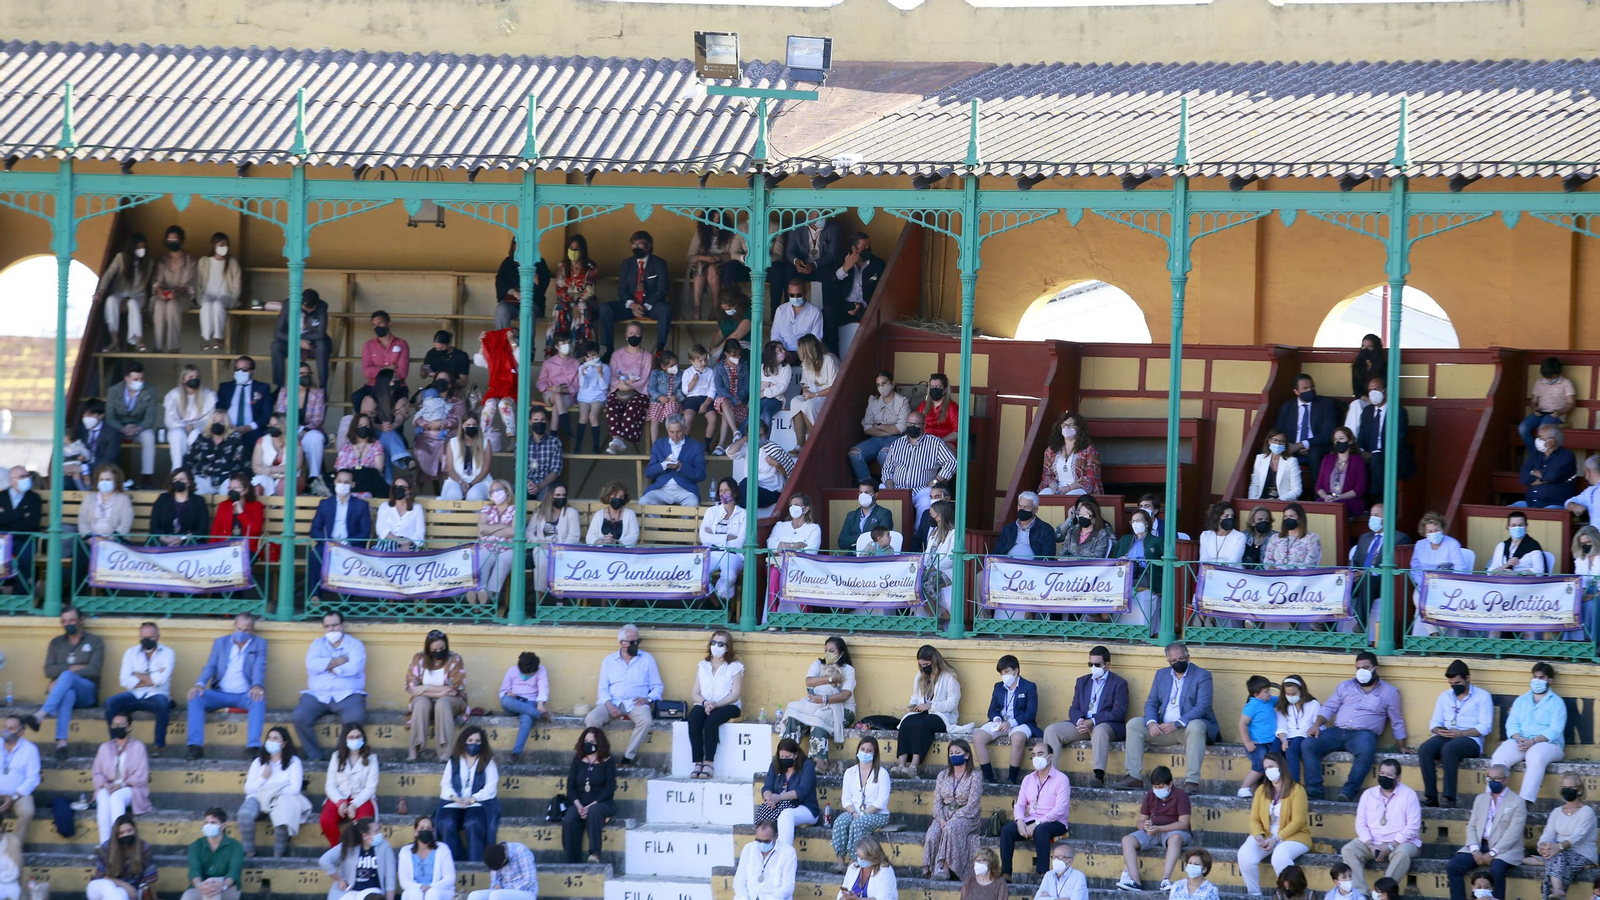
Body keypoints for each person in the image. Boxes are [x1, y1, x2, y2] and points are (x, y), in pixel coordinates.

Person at [1302, 651, 1409, 802]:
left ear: (1375, 669)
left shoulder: (1390, 692)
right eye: (1358, 668)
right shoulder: (1345, 686)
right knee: (1308, 744)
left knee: (1367, 749)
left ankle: (1347, 792)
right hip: (1337, 731)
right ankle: (1314, 790)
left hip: (1363, 735)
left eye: (1365, 668)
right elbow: (1329, 707)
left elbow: (1396, 720)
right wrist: (1316, 725)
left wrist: (1401, 745)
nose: (1361, 672)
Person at [1114, 642, 1217, 792]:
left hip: (1187, 730)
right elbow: (1152, 702)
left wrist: (1178, 723)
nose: (1178, 663)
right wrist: (1151, 723)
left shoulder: (1202, 675)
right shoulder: (1161, 675)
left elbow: (1202, 706)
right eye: (1173, 661)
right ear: (1168, 661)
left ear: (1188, 657)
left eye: (1181, 658)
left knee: (1196, 726)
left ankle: (1192, 782)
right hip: (1164, 729)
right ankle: (1134, 777)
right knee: (1134, 724)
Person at [186, 614, 268, 759]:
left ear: (252, 631)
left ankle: (253, 747)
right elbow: (210, 666)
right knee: (195, 697)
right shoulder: (220, 643)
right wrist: (199, 684)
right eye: (239, 628)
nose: (241, 633)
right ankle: (195, 746)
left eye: (246, 630)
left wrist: (257, 686)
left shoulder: (259, 644)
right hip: (220, 693)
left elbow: (259, 667)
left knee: (259, 699)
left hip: (245, 695)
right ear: (233, 626)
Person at [1043, 646, 1127, 787]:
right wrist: (1080, 720)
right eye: (1090, 664)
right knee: (1052, 730)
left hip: (1104, 725)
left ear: (1107, 665)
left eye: (1097, 664)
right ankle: (1048, 776)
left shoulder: (1119, 683)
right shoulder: (1082, 681)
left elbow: (1119, 712)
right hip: (1082, 725)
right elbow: (1074, 708)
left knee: (1099, 731)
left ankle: (1098, 775)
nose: (1093, 667)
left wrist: (1093, 721)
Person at [294, 611, 368, 764]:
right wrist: (340, 661)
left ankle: (338, 758)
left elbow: (354, 667)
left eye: (334, 625)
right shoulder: (317, 645)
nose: (331, 629)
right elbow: (312, 665)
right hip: (317, 695)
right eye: (327, 626)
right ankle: (314, 755)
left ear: (342, 625)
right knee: (299, 716)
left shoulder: (355, 645)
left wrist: (326, 665)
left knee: (354, 719)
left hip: (348, 694)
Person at [1417, 660, 1493, 809]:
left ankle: (1449, 798)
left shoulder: (1482, 696)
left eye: (1458, 683)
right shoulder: (1444, 696)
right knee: (1424, 749)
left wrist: (1461, 733)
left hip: (1470, 739)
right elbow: (1434, 722)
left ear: (1467, 678)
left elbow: (1485, 727)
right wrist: (1438, 730)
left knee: (1449, 749)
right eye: (1451, 683)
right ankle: (1431, 796)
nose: (1454, 686)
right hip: (1447, 734)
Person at [1339, 759, 1422, 895]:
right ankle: (1361, 894)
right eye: (1382, 773)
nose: (1384, 777)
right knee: (1348, 850)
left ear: (1398, 778)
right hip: (1373, 842)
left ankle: (1382, 893)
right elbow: (1361, 824)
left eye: (1389, 775)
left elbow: (1413, 827)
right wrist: (1370, 845)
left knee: (1402, 854)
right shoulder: (1368, 795)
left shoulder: (1409, 795)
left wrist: (1390, 846)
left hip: (1401, 842)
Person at [584, 624, 662, 766]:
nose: (635, 644)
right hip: (612, 701)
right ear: (622, 643)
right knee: (591, 718)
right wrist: (609, 705)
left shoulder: (647, 659)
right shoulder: (609, 661)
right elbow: (602, 688)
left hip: (636, 703)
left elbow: (657, 687)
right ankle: (601, 756)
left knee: (645, 721)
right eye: (632, 642)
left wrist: (647, 699)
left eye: (637, 641)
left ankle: (628, 758)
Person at [1444, 763, 1524, 900]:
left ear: (1506, 780)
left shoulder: (1517, 802)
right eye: (1490, 778)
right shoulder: (1480, 799)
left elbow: (1513, 833)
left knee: (1497, 869)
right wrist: (1475, 850)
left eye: (1497, 778)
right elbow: (1471, 826)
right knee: (1453, 866)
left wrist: (1493, 853)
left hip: (1505, 848)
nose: (1493, 782)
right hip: (1480, 845)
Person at [1490, 662, 1566, 801]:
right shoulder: (1521, 700)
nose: (1537, 681)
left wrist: (1534, 741)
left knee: (1535, 756)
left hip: (1549, 745)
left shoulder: (1557, 703)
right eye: (1534, 677)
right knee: (1499, 756)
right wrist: (1519, 738)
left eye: (1541, 678)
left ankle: (1525, 801)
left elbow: (1556, 730)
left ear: (1549, 680)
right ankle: (1493, 798)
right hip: (1522, 741)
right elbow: (1512, 723)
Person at [1237, 751, 1309, 898]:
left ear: (1281, 767)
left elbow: (1298, 821)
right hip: (1266, 834)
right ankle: (1255, 894)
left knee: (1279, 856)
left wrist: (1276, 839)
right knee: (1244, 854)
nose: (1269, 770)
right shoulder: (1261, 790)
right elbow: (1254, 818)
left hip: (1294, 836)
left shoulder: (1297, 790)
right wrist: (1258, 836)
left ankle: (1293, 895)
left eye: (1271, 766)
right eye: (1266, 768)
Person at [778, 636, 856, 767]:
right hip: (815, 704)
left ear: (841, 653)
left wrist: (824, 699)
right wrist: (831, 678)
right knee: (793, 713)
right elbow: (809, 681)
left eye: (831, 650)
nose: (827, 653)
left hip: (842, 709)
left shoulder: (848, 670)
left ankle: (818, 763)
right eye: (826, 650)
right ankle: (787, 757)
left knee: (819, 718)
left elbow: (845, 694)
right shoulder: (818, 664)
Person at [41, 605, 105, 760]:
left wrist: (65, 674)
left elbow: (94, 670)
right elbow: (48, 670)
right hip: (64, 693)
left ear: (81, 620)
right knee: (68, 693)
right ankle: (62, 743)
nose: (68, 624)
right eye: (64, 621)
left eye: (72, 620)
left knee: (67, 676)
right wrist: (73, 668)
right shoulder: (56, 643)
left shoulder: (95, 641)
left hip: (87, 692)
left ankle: (41, 714)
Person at [1000, 741, 1071, 881]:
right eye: (1033, 755)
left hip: (1055, 821)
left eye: (1040, 754)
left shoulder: (1062, 779)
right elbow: (1020, 804)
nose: (1036, 758)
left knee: (1041, 830)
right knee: (1007, 831)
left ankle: (1044, 874)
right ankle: (1006, 873)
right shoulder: (1028, 779)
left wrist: (1037, 823)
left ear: (1050, 757)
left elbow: (1060, 809)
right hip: (1031, 819)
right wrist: (1020, 821)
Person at [1115, 765, 1192, 893]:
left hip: (1174, 831)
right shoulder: (1151, 795)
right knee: (1127, 840)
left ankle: (1165, 880)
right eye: (1155, 787)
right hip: (1153, 831)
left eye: (1161, 787)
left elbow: (1183, 823)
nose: (1157, 790)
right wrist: (1144, 826)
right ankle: (1135, 881)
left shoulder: (1181, 796)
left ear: (1170, 784)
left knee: (1175, 839)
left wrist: (1160, 829)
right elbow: (1140, 821)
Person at [238, 726, 311, 857]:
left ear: (283, 744)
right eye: (269, 738)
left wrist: (271, 791)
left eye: (275, 738)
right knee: (244, 814)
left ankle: (278, 854)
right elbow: (248, 789)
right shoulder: (258, 762)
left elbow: (294, 789)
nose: (271, 741)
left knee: (282, 815)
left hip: (281, 799)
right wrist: (263, 778)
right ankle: (249, 852)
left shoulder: (294, 762)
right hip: (258, 798)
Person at [104, 621, 174, 755]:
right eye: (143, 637)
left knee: (163, 704)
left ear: (158, 637)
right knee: (110, 703)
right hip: (135, 695)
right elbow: (124, 680)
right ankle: (116, 743)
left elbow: (161, 680)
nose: (146, 640)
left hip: (157, 694)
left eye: (150, 637)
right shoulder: (130, 653)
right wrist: (150, 679)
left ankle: (159, 746)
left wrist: (136, 675)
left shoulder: (168, 653)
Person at [880, 410, 958, 524]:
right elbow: (887, 467)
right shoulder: (897, 443)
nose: (913, 427)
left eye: (916, 424)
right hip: (897, 487)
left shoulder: (935, 443)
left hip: (921, 489)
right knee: (880, 491)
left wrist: (936, 480)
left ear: (924, 425)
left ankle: (918, 534)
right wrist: (888, 483)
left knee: (927, 503)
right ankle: (888, 534)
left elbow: (951, 462)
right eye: (910, 424)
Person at [601, 231, 673, 354]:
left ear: (649, 246)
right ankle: (609, 350)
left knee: (666, 309)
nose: (636, 248)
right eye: (633, 244)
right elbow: (622, 289)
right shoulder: (626, 263)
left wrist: (645, 306)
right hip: (630, 306)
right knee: (605, 308)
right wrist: (632, 304)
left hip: (651, 306)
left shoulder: (659, 263)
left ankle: (660, 350)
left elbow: (662, 290)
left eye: (640, 244)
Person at [436, 727, 500, 863]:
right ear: (463, 742)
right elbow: (446, 785)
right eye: (470, 740)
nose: (473, 744)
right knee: (445, 823)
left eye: (477, 741)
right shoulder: (453, 761)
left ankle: (475, 862)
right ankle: (455, 861)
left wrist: (472, 799)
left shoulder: (488, 761)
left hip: (479, 802)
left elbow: (490, 788)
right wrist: (455, 798)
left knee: (473, 823)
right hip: (454, 802)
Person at [894, 645, 960, 776]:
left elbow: (952, 703)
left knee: (922, 725)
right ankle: (900, 766)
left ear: (934, 661)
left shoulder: (949, 676)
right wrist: (912, 706)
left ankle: (913, 767)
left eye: (927, 664)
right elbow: (915, 696)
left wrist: (931, 706)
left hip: (942, 715)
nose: (924, 667)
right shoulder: (920, 676)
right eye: (921, 665)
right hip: (922, 712)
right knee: (906, 722)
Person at [308, 470, 374, 599]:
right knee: (314, 555)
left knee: (351, 560)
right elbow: (314, 530)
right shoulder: (325, 504)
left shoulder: (361, 505)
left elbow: (365, 532)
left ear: (352, 485)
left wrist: (346, 542)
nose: (342, 485)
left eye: (346, 482)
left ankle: (346, 601)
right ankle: (315, 596)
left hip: (351, 545)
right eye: (339, 481)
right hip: (328, 544)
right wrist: (328, 541)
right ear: (334, 482)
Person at [688, 629, 744, 779]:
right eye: (713, 642)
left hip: (728, 706)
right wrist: (705, 703)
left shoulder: (735, 667)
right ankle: (698, 762)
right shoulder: (702, 665)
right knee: (694, 719)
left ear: (727, 647)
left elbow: (735, 694)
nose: (716, 646)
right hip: (704, 704)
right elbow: (694, 693)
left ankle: (709, 763)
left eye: (720, 643)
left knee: (711, 721)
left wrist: (716, 705)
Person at [972, 655, 1036, 785]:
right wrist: (996, 719)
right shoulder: (998, 687)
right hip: (1000, 723)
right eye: (1001, 673)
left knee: (1018, 739)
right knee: (978, 737)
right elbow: (992, 710)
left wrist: (1010, 723)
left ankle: (1011, 779)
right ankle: (989, 778)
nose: (1004, 676)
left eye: (1006, 672)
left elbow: (1031, 713)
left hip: (1020, 723)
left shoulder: (1029, 687)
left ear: (1016, 670)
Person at [923, 738, 981, 882]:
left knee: (950, 828)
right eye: (951, 752)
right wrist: (941, 819)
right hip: (943, 814)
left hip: (967, 816)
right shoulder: (942, 775)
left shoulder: (975, 776)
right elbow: (937, 802)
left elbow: (973, 805)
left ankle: (945, 867)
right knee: (932, 833)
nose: (954, 755)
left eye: (957, 752)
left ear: (966, 755)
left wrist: (953, 817)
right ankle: (931, 870)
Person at [832, 737, 891, 874]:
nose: (865, 753)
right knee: (841, 821)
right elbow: (846, 799)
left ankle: (853, 862)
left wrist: (863, 814)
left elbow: (881, 802)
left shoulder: (882, 773)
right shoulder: (850, 772)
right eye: (863, 749)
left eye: (869, 751)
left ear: (874, 753)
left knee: (857, 824)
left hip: (877, 814)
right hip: (856, 812)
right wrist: (853, 812)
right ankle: (840, 862)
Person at [1532, 775, 1596, 900]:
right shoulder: (1556, 811)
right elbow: (1548, 834)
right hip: (1559, 853)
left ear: (1579, 790)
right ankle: (1558, 892)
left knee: (1555, 859)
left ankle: (1556, 891)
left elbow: (1578, 836)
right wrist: (1543, 846)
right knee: (1556, 861)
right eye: (1564, 787)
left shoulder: (1586, 812)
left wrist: (1559, 847)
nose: (1567, 789)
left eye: (1571, 787)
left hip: (1582, 853)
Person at [407, 631, 468, 762]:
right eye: (434, 649)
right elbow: (412, 687)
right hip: (426, 698)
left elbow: (453, 689)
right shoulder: (419, 659)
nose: (438, 652)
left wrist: (425, 688)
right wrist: (439, 692)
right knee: (421, 704)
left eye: (442, 648)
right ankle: (414, 749)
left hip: (451, 700)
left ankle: (445, 752)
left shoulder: (454, 659)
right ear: (428, 649)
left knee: (442, 703)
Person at [92, 712, 152, 844]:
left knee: (116, 797)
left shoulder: (138, 747)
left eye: (121, 724)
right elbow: (96, 772)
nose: (117, 727)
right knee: (102, 799)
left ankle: (118, 841)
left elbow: (141, 775)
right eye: (114, 725)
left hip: (130, 788)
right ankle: (105, 844)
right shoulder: (104, 747)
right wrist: (105, 785)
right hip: (107, 786)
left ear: (129, 727)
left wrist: (122, 784)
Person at [562, 727, 616, 864]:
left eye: (592, 741)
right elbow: (571, 786)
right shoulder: (578, 760)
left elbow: (610, 788)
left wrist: (592, 804)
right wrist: (578, 805)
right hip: (580, 802)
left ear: (600, 743)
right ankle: (571, 860)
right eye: (586, 740)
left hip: (601, 803)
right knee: (569, 819)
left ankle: (595, 854)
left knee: (594, 811)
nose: (589, 743)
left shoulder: (608, 761)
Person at [320, 722, 379, 847]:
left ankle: (356, 853)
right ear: (345, 739)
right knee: (326, 820)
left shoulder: (372, 758)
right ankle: (338, 848)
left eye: (358, 737)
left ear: (363, 738)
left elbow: (370, 787)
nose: (355, 740)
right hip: (339, 796)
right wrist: (340, 801)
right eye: (351, 737)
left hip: (362, 798)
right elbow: (329, 785)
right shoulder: (336, 757)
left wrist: (354, 804)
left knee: (363, 825)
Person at [96, 231, 153, 351]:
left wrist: (128, 300)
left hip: (139, 294)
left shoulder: (149, 262)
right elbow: (108, 274)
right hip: (120, 293)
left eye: (143, 247)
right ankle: (114, 340)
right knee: (110, 300)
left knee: (133, 303)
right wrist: (100, 291)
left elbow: (143, 285)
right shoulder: (121, 258)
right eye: (138, 247)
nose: (141, 249)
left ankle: (138, 339)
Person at [1358, 376, 1415, 496]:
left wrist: (1374, 454)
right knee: (1352, 459)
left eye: (1377, 389)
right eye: (1370, 390)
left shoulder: (1398, 412)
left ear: (1386, 391)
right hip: (1370, 456)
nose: (1373, 393)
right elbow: (1361, 437)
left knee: (1376, 459)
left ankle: (1379, 502)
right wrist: (1361, 451)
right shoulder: (1367, 411)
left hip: (1391, 457)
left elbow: (1398, 441)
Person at [1276, 375, 1340, 482]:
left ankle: (1318, 495)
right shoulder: (1288, 407)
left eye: (1312, 387)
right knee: (1268, 451)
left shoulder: (1325, 405)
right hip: (1291, 446)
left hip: (1316, 446)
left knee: (1314, 454)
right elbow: (1279, 431)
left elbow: (1328, 433)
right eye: (1305, 388)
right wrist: (1291, 447)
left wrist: (1302, 444)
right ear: (1296, 391)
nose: (1310, 390)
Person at [827, 232, 884, 352]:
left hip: (866, 306)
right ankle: (833, 354)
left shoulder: (878, 264)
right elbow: (831, 282)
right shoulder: (841, 260)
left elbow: (881, 291)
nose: (867, 249)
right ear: (854, 248)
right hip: (845, 304)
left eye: (869, 246)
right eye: (863, 247)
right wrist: (845, 267)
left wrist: (862, 306)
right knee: (828, 312)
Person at [603, 322, 653, 455]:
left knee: (633, 407)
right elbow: (613, 376)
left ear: (641, 336)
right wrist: (622, 385)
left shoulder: (647, 356)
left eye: (637, 334)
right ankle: (616, 437)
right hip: (618, 389)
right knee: (612, 405)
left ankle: (622, 437)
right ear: (626, 335)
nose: (633, 336)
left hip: (639, 391)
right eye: (631, 333)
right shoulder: (617, 354)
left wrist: (630, 386)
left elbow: (645, 379)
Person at [759, 738, 819, 847]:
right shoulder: (775, 765)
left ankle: (784, 854)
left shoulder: (807, 765)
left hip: (805, 808)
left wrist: (779, 797)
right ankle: (765, 847)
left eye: (787, 757)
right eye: (782, 757)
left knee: (786, 814)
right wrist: (768, 797)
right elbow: (767, 786)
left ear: (795, 755)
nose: (784, 759)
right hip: (778, 805)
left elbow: (802, 791)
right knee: (763, 812)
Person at [106, 362, 158, 487]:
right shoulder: (114, 391)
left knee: (149, 436)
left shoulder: (150, 390)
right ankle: (115, 477)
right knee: (110, 436)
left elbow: (150, 418)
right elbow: (109, 417)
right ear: (126, 379)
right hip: (118, 428)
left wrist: (138, 428)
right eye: (135, 379)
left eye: (142, 378)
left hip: (139, 428)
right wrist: (122, 428)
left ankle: (147, 478)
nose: (139, 382)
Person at [276, 362, 329, 484]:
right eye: (301, 374)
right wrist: (292, 431)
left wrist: (303, 430)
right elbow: (280, 416)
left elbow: (318, 418)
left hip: (310, 430)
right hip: (288, 431)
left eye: (308, 373)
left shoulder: (318, 392)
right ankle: (291, 480)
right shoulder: (285, 391)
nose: (305, 376)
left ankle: (314, 478)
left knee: (315, 438)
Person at [638, 414, 706, 507]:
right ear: (667, 430)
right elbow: (648, 473)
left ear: (685, 428)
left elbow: (701, 475)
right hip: (662, 488)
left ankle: (682, 523)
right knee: (643, 502)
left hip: (685, 490)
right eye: (671, 432)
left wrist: (680, 467)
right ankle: (658, 522)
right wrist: (663, 465)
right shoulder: (659, 444)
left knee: (693, 504)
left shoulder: (696, 446)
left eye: (678, 431)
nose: (675, 436)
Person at [272, 288, 333, 390]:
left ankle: (323, 387)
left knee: (322, 345)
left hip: (312, 345)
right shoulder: (288, 305)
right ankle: (279, 387)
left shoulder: (322, 306)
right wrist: (297, 341)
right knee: (276, 346)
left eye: (311, 308)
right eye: (305, 308)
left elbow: (320, 334)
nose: (308, 310)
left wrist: (302, 340)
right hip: (292, 344)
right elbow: (277, 333)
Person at [320, 818, 395, 900]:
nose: (379, 834)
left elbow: (390, 877)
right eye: (376, 832)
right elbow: (324, 860)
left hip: (371, 891)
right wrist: (340, 879)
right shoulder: (349, 845)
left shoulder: (384, 846)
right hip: (349, 891)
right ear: (365, 836)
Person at [526, 483, 580, 596]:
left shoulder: (571, 513)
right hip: (542, 547)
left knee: (562, 565)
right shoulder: (539, 512)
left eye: (563, 495)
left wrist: (559, 548)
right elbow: (529, 532)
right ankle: (538, 604)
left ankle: (560, 601)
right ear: (550, 496)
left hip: (565, 549)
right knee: (542, 564)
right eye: (557, 495)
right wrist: (539, 542)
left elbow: (574, 537)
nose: (561, 498)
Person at [215, 356, 273, 456]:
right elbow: (219, 410)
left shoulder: (262, 388)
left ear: (252, 372)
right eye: (237, 369)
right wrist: (227, 425)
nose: (240, 372)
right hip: (228, 428)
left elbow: (266, 414)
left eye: (244, 370)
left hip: (252, 429)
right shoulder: (225, 387)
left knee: (257, 440)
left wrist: (249, 427)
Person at [788, 334, 839, 450]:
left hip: (829, 397)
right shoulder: (806, 362)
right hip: (813, 395)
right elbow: (805, 384)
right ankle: (800, 445)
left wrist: (814, 395)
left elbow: (835, 388)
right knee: (796, 401)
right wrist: (806, 392)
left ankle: (814, 443)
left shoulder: (829, 360)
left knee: (808, 405)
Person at [89, 815, 158, 900]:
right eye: (122, 833)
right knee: (112, 890)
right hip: (100, 886)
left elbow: (149, 876)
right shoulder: (107, 847)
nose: (126, 834)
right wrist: (126, 886)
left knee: (119, 895)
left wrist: (154, 898)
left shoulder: (143, 847)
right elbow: (102, 876)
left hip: (124, 893)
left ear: (135, 831)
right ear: (116, 835)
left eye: (129, 831)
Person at [700, 478, 747, 602]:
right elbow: (704, 537)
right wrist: (727, 537)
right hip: (712, 552)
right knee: (698, 573)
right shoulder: (711, 511)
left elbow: (740, 542)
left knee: (729, 577)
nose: (723, 493)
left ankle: (721, 602)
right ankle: (716, 604)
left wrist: (714, 536)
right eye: (721, 490)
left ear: (734, 493)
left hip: (733, 554)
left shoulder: (743, 514)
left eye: (726, 490)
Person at [152, 225, 196, 353]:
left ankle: (173, 346)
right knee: (159, 305)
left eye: (175, 241)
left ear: (181, 241)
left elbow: (187, 283)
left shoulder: (190, 260)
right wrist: (160, 291)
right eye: (169, 241)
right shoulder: (162, 260)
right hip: (164, 295)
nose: (172, 244)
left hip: (182, 296)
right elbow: (157, 280)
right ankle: (158, 346)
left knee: (172, 305)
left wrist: (175, 293)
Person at [182, 808, 244, 900]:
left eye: (213, 823)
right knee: (187, 897)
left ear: (223, 826)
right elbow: (194, 871)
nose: (208, 825)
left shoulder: (235, 846)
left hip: (228, 888)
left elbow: (234, 873)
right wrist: (200, 886)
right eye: (206, 822)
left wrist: (222, 885)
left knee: (212, 890)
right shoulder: (196, 846)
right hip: (201, 887)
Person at [497, 653, 548, 765]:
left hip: (530, 702)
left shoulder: (541, 670)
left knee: (527, 719)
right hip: (513, 702)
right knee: (504, 700)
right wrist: (507, 694)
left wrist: (540, 704)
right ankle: (538, 714)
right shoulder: (512, 670)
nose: (527, 674)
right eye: (524, 672)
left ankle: (516, 754)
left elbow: (543, 688)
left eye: (530, 673)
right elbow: (502, 691)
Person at [548, 237, 598, 348]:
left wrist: (577, 303)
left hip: (585, 301)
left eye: (577, 249)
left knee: (581, 306)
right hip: (567, 300)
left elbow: (589, 290)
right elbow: (560, 288)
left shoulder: (591, 266)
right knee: (559, 307)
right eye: (571, 248)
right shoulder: (563, 266)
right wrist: (570, 302)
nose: (574, 251)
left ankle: (579, 348)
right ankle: (557, 346)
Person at [356, 311, 412, 409]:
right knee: (356, 397)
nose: (376, 327)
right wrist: (388, 368)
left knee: (398, 405)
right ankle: (367, 423)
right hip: (373, 385)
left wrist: (377, 370)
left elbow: (402, 373)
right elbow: (366, 372)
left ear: (389, 324)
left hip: (396, 385)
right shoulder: (368, 345)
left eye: (380, 323)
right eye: (374, 325)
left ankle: (395, 424)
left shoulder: (402, 344)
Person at [196, 232, 241, 351]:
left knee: (218, 305)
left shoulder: (232, 262)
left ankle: (218, 337)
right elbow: (199, 282)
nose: (224, 247)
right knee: (206, 306)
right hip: (208, 294)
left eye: (226, 245)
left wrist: (233, 301)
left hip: (225, 295)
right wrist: (198, 298)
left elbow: (237, 285)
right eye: (221, 244)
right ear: (214, 246)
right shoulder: (205, 261)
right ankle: (205, 338)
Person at [1518, 422, 1579, 508]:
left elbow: (1551, 476)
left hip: (1554, 505)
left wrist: (1533, 474)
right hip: (1530, 504)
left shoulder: (1566, 456)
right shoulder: (1536, 454)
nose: (1537, 440)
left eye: (1540, 438)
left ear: (1552, 441)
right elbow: (1523, 477)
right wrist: (1544, 478)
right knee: (1510, 510)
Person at [1039, 412, 1102, 496]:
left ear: (1079, 428)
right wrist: (1053, 486)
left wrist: (1068, 488)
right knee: (1042, 497)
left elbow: (1091, 477)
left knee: (1070, 497)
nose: (1067, 428)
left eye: (1071, 425)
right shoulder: (1051, 450)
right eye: (1064, 425)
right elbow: (1046, 475)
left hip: (1079, 488)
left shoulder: (1089, 449)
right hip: (1057, 487)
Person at [1238, 676, 1280, 798]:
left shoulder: (1269, 701)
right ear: (1256, 695)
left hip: (1270, 742)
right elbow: (1242, 723)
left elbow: (1282, 700)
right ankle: (1244, 788)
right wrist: (1247, 742)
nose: (1269, 694)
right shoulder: (1252, 706)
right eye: (1266, 692)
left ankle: (1256, 792)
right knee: (1260, 766)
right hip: (1256, 744)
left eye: (1269, 690)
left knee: (1268, 768)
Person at [210, 475, 269, 564]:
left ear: (245, 490)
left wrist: (241, 513)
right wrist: (211, 551)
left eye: (235, 488)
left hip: (247, 547)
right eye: (230, 488)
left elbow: (255, 529)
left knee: (237, 561)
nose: (231, 491)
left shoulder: (256, 506)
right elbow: (215, 531)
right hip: (225, 546)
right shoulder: (223, 506)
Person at [732, 819, 797, 900]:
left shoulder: (788, 852)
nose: (762, 843)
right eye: (758, 840)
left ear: (776, 837)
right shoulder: (748, 849)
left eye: (766, 841)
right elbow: (739, 880)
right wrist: (743, 897)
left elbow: (788, 887)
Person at [0, 716, 39, 849]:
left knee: (27, 811)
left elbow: (33, 779)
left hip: (18, 794)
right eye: (5, 727)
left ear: (21, 732)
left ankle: (14, 848)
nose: (6, 731)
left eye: (11, 728)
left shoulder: (30, 749)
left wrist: (13, 796)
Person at [0, 466, 40, 593]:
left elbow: (32, 523)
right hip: (2, 539)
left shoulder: (34, 498)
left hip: (25, 538)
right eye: (22, 477)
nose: (27, 479)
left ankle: (21, 596)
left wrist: (7, 516)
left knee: (25, 558)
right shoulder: (1, 497)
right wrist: (21, 514)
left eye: (28, 476)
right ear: (12, 480)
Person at [1274, 676, 1320, 784]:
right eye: (1288, 694)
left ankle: (1293, 785)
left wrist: (1312, 731)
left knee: (1291, 753)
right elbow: (1281, 726)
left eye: (1293, 694)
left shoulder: (1313, 704)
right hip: (1285, 734)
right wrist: (1283, 739)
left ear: (1301, 691)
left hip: (1303, 734)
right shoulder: (1283, 705)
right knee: (1273, 754)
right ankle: (1273, 785)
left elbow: (1316, 724)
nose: (1290, 697)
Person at [1524, 356, 1577, 448]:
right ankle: (1535, 454)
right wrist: (1534, 409)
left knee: (1543, 430)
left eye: (1551, 376)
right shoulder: (1539, 382)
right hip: (1540, 413)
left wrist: (1559, 412)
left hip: (1555, 414)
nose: (1548, 379)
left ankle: (1542, 455)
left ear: (1557, 372)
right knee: (1522, 428)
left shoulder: (1566, 383)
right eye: (1546, 376)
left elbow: (1571, 403)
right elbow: (1533, 401)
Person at [398, 816, 456, 900]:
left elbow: (450, 878)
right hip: (414, 891)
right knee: (415, 893)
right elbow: (404, 881)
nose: (425, 830)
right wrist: (420, 887)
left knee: (432, 893)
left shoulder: (442, 849)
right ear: (415, 832)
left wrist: (431, 887)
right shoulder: (405, 851)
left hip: (439, 891)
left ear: (433, 831)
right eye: (422, 828)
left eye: (429, 828)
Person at [1316, 427, 1369, 518]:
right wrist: (1325, 497)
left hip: (1349, 500)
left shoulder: (1357, 461)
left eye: (1341, 438)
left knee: (1337, 506)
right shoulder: (1328, 459)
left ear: (1350, 441)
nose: (1338, 442)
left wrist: (1339, 497)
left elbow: (1359, 489)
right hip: (1328, 498)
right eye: (1335, 440)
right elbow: (1319, 485)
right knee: (1317, 505)